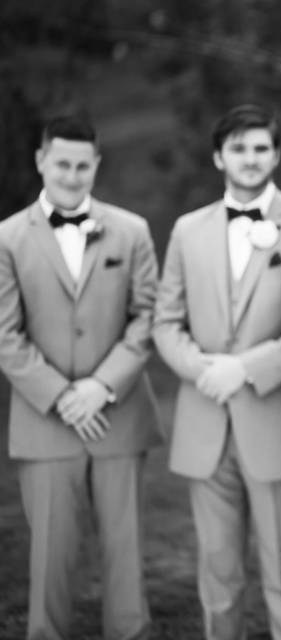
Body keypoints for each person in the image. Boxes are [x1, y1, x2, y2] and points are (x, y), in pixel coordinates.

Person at [153, 105, 281, 639]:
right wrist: (203, 370)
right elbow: (165, 321)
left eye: (261, 148)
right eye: (240, 148)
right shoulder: (186, 229)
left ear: (277, 155)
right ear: (218, 155)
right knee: (218, 574)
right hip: (206, 421)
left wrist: (245, 368)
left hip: (276, 424)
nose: (250, 159)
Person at [0, 115, 162, 639]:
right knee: (49, 561)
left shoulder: (132, 231)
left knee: (125, 559)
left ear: (96, 165)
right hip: (45, 422)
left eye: (82, 165)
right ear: (42, 160)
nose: (72, 175)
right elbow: (5, 334)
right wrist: (62, 395)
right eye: (62, 163)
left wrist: (100, 386)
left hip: (119, 414)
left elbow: (147, 316)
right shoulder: (6, 238)